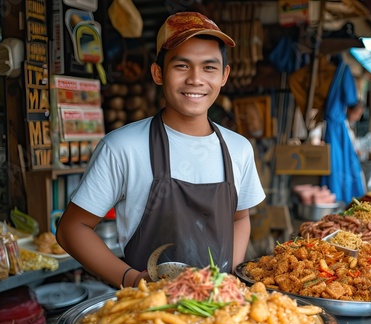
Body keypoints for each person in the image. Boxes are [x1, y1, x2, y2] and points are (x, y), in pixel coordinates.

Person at [56, 11, 266, 288]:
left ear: (224, 75)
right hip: (149, 312)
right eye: (182, 66)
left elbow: (240, 218)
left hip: (220, 312)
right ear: (158, 73)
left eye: (209, 67)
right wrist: (132, 280)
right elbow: (72, 229)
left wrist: (228, 282)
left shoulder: (239, 148)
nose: (195, 79)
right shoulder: (123, 147)